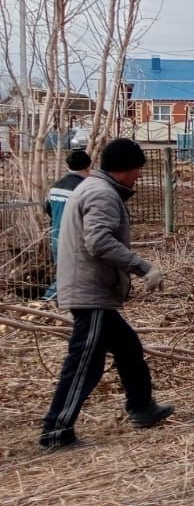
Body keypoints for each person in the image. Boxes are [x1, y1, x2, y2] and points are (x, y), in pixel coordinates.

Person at [38, 138, 172, 452]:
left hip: (89, 287)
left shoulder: (91, 187)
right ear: (125, 169)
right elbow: (98, 242)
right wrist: (142, 267)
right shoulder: (101, 194)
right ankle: (56, 432)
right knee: (84, 363)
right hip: (90, 291)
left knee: (128, 347)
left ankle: (142, 408)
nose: (140, 174)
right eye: (138, 168)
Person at [42, 149, 93, 300]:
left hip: (56, 234)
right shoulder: (85, 187)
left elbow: (48, 208)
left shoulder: (57, 185)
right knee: (69, 275)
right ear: (88, 166)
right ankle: (47, 300)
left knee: (65, 272)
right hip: (75, 237)